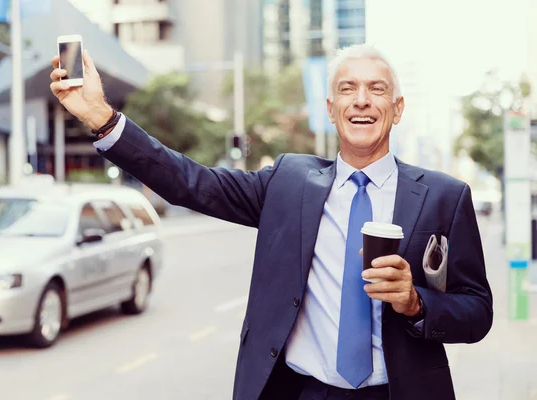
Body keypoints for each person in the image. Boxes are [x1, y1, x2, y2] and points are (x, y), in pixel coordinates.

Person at [49, 44, 493, 400]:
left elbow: (477, 311)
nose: (361, 100)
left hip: (398, 391)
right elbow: (190, 183)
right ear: (331, 108)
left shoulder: (445, 197)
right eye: (347, 89)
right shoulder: (289, 181)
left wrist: (415, 302)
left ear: (396, 109)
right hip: (298, 389)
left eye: (376, 90)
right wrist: (101, 119)